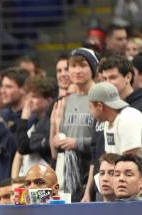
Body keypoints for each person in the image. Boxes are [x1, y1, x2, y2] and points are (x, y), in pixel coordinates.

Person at [51, 47, 98, 202]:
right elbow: (56, 145)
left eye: (83, 65)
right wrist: (58, 138)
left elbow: (102, 141)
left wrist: (76, 143)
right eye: (73, 66)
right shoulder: (66, 100)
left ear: (92, 68)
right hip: (69, 172)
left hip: (92, 171)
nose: (77, 71)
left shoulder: (99, 97)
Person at [88, 82, 142, 164]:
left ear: (100, 106)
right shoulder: (108, 122)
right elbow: (110, 158)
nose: (90, 112)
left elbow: (128, 160)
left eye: (90, 107)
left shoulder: (127, 119)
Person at [98, 53, 142, 138]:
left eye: (113, 78)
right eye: (104, 79)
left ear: (128, 77)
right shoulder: (104, 107)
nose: (107, 83)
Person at [12, 76, 56, 177]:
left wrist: (23, 119)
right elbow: (19, 151)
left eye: (34, 97)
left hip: (44, 179)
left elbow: (23, 148)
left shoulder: (50, 122)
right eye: (28, 96)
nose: (29, 101)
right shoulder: (34, 121)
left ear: (48, 100)